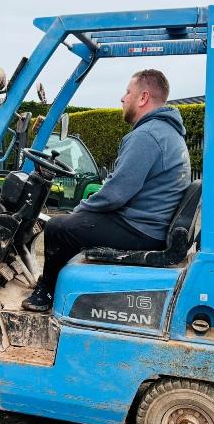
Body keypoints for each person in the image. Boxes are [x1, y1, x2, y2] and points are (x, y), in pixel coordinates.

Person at [22, 69, 191, 312]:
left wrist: (80, 210)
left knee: (58, 228)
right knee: (79, 224)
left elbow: (115, 194)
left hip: (142, 229)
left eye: (128, 92)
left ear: (143, 98)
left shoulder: (147, 135)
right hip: (152, 223)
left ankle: (45, 293)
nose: (123, 98)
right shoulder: (168, 132)